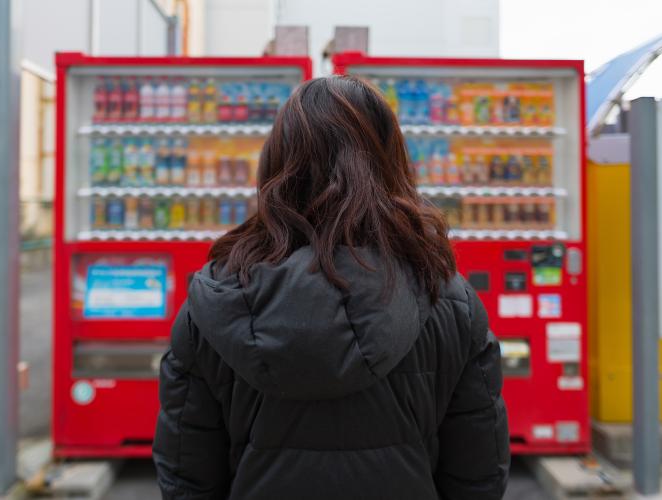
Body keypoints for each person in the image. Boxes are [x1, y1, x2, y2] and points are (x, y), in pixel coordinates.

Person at [152, 76, 509, 500]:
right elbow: (478, 476)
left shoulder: (215, 301)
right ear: (391, 163)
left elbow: (186, 479)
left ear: (275, 165)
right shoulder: (448, 300)